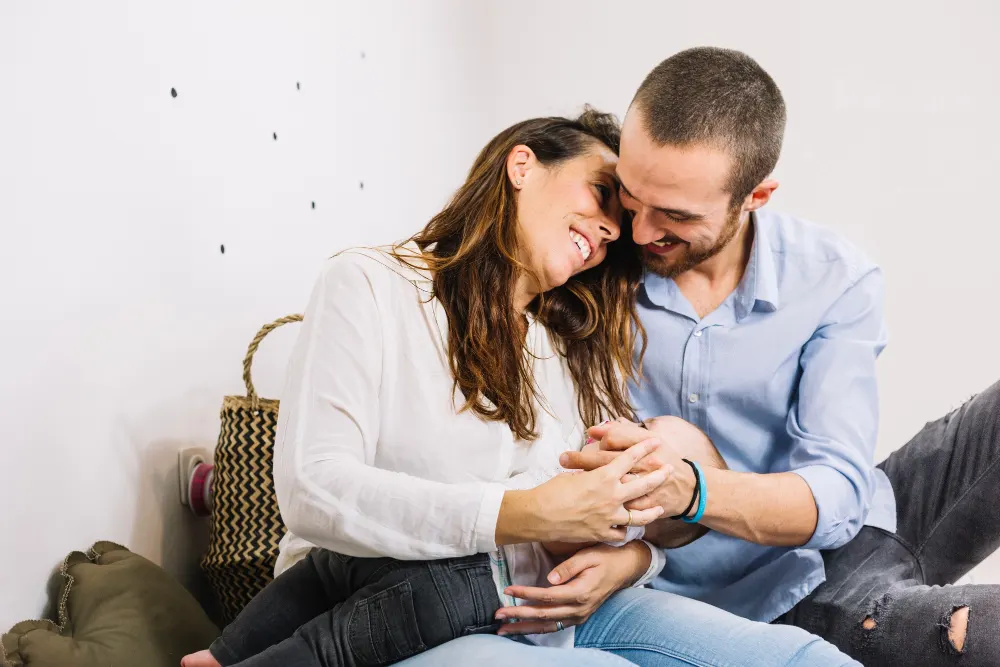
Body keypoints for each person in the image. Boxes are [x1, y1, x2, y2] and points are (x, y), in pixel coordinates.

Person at [182, 108, 857, 667]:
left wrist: (632, 560)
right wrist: (528, 513)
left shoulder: (556, 344)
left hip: (557, 607)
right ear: (523, 163)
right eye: (602, 195)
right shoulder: (371, 285)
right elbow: (314, 493)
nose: (612, 230)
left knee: (802, 657)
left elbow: (604, 512)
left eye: (616, 226)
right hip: (393, 615)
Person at [559, 47, 1000, 667]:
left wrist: (695, 491)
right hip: (782, 603)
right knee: (981, 633)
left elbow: (841, 495)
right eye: (632, 197)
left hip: (853, 527)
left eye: (677, 216)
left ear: (756, 197)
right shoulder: (586, 265)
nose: (638, 232)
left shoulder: (832, 277)